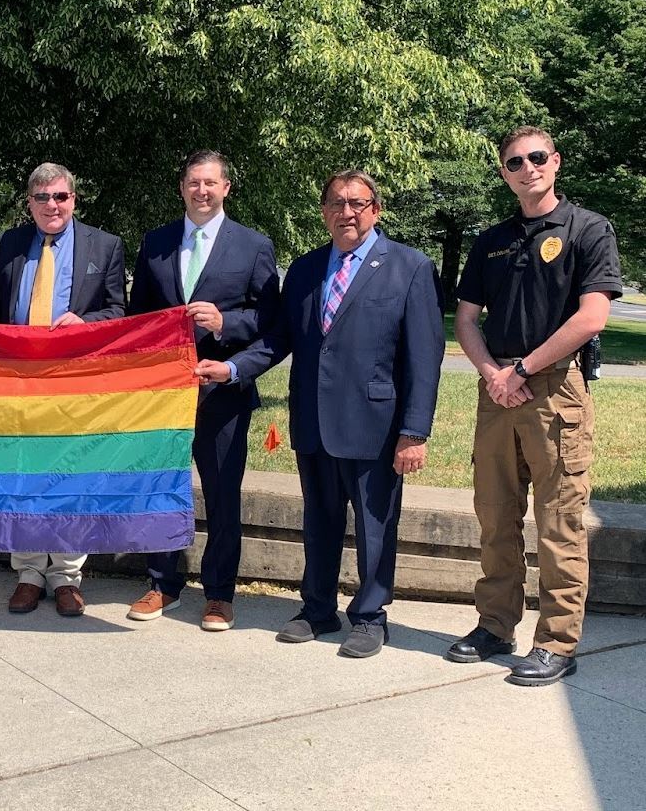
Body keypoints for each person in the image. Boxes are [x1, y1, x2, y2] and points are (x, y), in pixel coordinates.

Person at [216, 169, 444, 657]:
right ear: (324, 212)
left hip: (376, 426)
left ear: (376, 209)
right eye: (337, 203)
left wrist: (414, 431)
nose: (348, 212)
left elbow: (425, 358)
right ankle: (318, 609)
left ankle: (369, 616)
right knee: (318, 521)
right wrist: (233, 368)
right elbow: (280, 339)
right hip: (314, 422)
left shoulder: (410, 267)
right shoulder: (304, 270)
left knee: (374, 525)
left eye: (358, 203)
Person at [447, 126, 621, 685]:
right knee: (495, 517)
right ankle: (496, 626)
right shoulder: (491, 240)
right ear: (505, 173)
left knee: (559, 521)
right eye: (515, 162)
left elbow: (593, 317)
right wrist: (494, 374)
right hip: (497, 391)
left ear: (556, 162)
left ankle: (557, 642)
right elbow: (467, 320)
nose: (528, 168)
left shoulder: (588, 229)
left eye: (537, 157)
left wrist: (522, 369)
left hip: (555, 393)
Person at [126, 150, 280, 632]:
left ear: (226, 188)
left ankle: (219, 594)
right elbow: (139, 320)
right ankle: (161, 584)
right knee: (162, 491)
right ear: (182, 187)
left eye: (211, 183)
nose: (202, 191)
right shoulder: (156, 243)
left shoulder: (253, 246)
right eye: (194, 182)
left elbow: (272, 324)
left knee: (221, 497)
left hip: (222, 397)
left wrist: (225, 323)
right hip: (163, 397)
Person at [0, 162, 126, 617]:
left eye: (60, 197)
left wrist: (86, 321)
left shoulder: (106, 245)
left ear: (73, 199)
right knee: (24, 474)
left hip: (76, 381)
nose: (51, 206)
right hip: (19, 380)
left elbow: (118, 310)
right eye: (42, 198)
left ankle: (67, 576)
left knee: (69, 473)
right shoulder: (12, 243)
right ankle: (29, 573)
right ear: (30, 203)